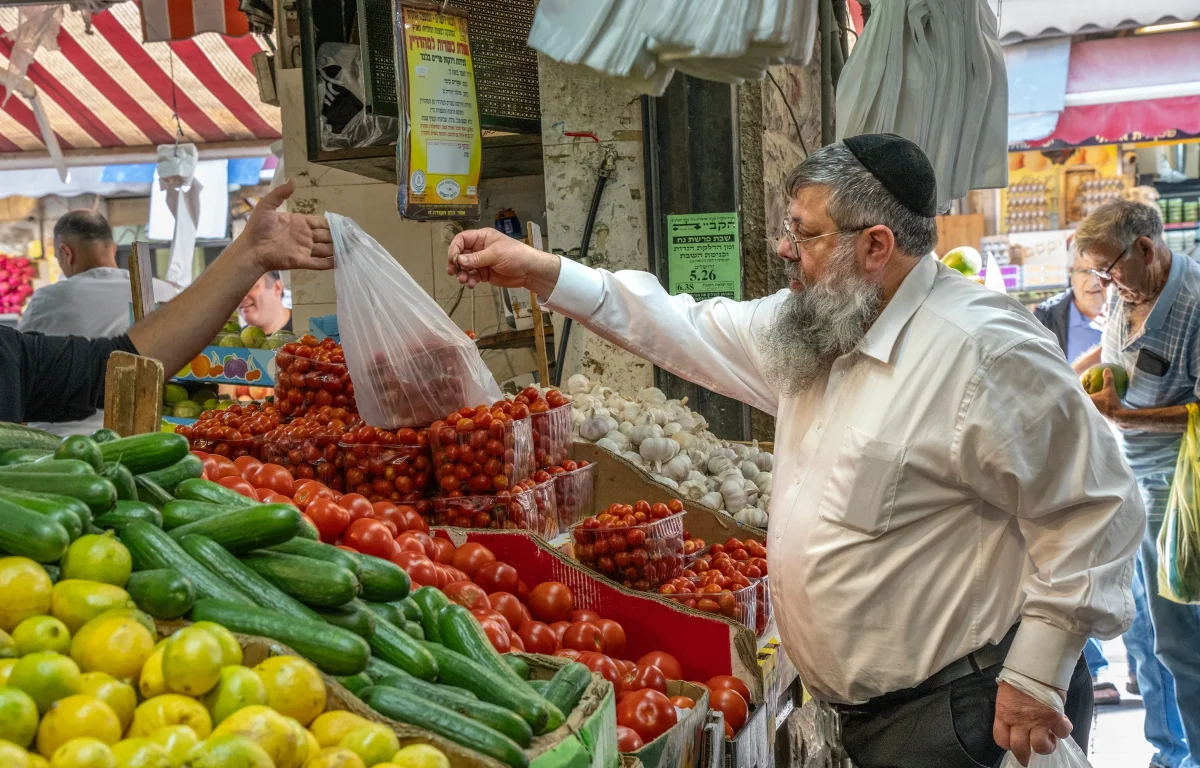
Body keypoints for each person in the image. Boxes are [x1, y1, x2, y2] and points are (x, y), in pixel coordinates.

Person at [447, 134, 1145, 768]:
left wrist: (1037, 670)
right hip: (863, 717)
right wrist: (544, 272)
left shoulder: (981, 351)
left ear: (875, 245)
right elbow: (683, 326)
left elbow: (1099, 508)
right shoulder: (818, 330)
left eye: (804, 234)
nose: (785, 249)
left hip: (960, 714)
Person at [1, 180, 331, 426]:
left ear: (65, 253)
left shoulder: (15, 352)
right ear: (112, 249)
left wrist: (249, 254)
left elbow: (120, 363)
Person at [1073, 198, 1200, 768]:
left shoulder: (1195, 304)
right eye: (1096, 273)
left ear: (1145, 249)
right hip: (1131, 482)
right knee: (1142, 634)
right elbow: (1111, 346)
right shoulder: (1130, 291)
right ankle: (1167, 750)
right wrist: (1063, 374)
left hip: (1176, 487)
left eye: (1109, 269)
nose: (1105, 284)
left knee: (1180, 640)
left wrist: (1126, 418)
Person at [17, 211, 179, 435]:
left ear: (66, 252)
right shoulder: (163, 291)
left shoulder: (49, 299)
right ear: (112, 247)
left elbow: (21, 370)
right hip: (146, 438)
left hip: (60, 443)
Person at [1033, 261, 1105, 365]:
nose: (1094, 281)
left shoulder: (1128, 310)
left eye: (1101, 271)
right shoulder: (1047, 318)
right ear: (1070, 273)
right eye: (1084, 271)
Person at [239, 270, 293, 334]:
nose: (241, 297)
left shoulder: (303, 330)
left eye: (250, 287)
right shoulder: (235, 339)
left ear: (277, 288)